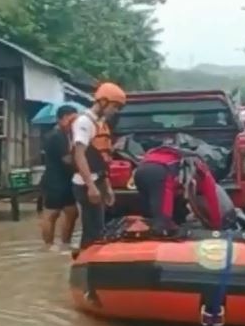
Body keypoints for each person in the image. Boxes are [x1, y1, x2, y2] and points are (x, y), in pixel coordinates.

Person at [72, 82, 124, 249]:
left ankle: (91, 261)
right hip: (86, 183)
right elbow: (79, 155)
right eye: (114, 106)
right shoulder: (84, 122)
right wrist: (91, 186)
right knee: (92, 231)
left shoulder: (100, 122)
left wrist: (106, 186)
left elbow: (103, 158)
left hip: (98, 179)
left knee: (98, 228)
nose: (115, 111)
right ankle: (86, 266)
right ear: (102, 102)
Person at [133, 143, 223, 231]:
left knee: (151, 212)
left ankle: (150, 229)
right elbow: (212, 198)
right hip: (161, 172)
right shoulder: (202, 170)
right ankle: (163, 233)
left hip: (140, 172)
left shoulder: (177, 155)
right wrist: (217, 225)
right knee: (164, 221)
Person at [40, 105, 80, 250]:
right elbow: (67, 159)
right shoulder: (55, 136)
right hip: (54, 181)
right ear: (62, 119)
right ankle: (48, 246)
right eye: (71, 120)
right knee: (52, 214)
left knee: (72, 212)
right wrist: (82, 163)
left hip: (66, 179)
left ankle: (65, 243)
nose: (74, 124)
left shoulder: (67, 135)